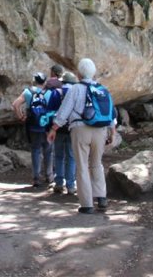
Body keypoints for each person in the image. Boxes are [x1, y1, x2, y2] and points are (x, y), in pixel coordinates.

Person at [47, 59, 117, 213]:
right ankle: (101, 197)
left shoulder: (76, 89)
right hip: (100, 130)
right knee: (96, 163)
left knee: (82, 166)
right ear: (93, 73)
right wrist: (113, 131)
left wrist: (54, 128)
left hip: (80, 129)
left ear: (79, 73)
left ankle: (87, 204)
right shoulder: (103, 89)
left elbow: (64, 111)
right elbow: (111, 112)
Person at [12, 72, 55, 187]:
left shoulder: (28, 92)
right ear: (45, 81)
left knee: (35, 150)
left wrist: (21, 116)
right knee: (48, 151)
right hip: (47, 127)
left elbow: (15, 104)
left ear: (34, 81)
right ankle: (49, 176)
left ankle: (36, 178)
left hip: (33, 126)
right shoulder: (50, 93)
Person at [51, 72, 77, 195]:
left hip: (58, 128)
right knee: (71, 157)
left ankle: (59, 183)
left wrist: (52, 128)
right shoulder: (77, 92)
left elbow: (51, 110)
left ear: (63, 82)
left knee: (59, 156)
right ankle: (71, 185)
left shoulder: (57, 92)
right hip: (72, 128)